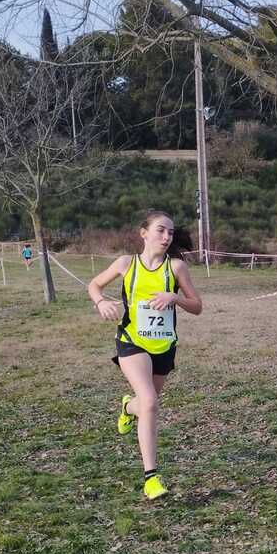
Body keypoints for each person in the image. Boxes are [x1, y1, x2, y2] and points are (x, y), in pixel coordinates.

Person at [87, 211, 202, 501]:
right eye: (161, 230)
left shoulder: (175, 268)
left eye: (171, 233)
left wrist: (175, 297)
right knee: (150, 401)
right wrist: (100, 302)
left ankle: (128, 407)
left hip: (163, 346)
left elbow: (197, 306)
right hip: (131, 341)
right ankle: (151, 478)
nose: (166, 237)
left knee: (145, 404)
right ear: (144, 233)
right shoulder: (126, 264)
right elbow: (94, 285)